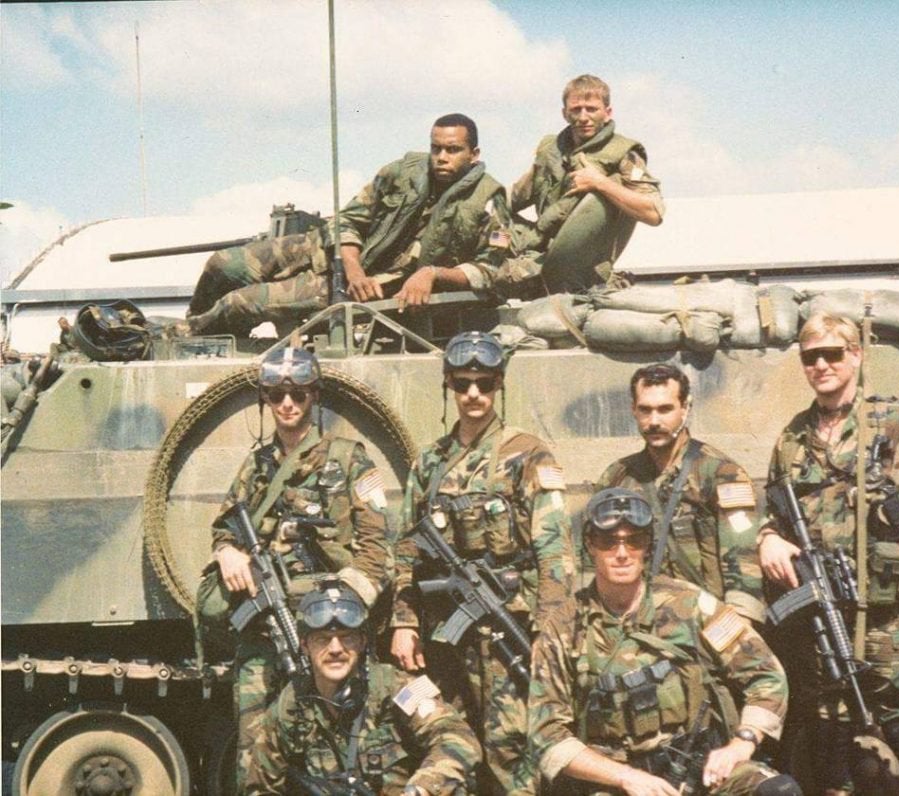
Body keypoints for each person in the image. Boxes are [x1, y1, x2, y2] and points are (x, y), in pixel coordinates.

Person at [757, 312, 899, 796]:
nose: (821, 365)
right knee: (828, 736)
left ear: (856, 355)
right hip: (823, 618)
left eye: (832, 354)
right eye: (810, 357)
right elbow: (773, 510)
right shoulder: (792, 438)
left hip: (889, 618)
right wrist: (768, 538)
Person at [390, 330, 576, 795]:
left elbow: (555, 552)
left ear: (499, 385)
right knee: (452, 746)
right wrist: (403, 622)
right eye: (462, 383)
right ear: (449, 386)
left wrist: (550, 634)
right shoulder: (430, 462)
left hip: (507, 632)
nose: (473, 393)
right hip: (446, 638)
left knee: (509, 750)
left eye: (485, 383)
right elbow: (407, 550)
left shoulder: (528, 454)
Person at [529, 488, 800, 796]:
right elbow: (545, 734)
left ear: (647, 545)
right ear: (590, 545)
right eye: (608, 542)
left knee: (777, 790)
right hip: (613, 783)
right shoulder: (563, 627)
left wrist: (742, 743)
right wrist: (626, 777)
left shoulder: (689, 604)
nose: (622, 553)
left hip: (699, 770)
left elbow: (766, 675)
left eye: (634, 541)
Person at [205, 346, 392, 787]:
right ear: (265, 400)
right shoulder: (256, 466)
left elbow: (378, 547)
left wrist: (342, 609)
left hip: (331, 632)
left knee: (338, 744)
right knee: (256, 748)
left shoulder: (349, 459)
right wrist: (227, 552)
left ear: (315, 396)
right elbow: (225, 527)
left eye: (298, 394)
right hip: (264, 630)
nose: (287, 403)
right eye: (276, 395)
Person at [184, 113, 514, 335]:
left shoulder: (488, 198)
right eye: (436, 148)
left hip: (378, 286)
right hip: (338, 254)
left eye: (453, 150)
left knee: (241, 302)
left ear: (474, 154)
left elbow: (490, 270)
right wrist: (353, 269)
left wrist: (432, 274)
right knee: (222, 264)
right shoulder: (402, 172)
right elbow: (349, 219)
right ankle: (198, 325)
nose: (441, 157)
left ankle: (196, 335)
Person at [245, 578, 481, 795]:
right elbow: (261, 787)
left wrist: (421, 789)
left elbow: (457, 737)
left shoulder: (398, 686)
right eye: (323, 639)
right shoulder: (291, 705)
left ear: (362, 642)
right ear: (305, 646)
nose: (335, 649)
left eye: (347, 637)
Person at [596, 363, 765, 625]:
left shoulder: (720, 473)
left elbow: (743, 561)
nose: (654, 421)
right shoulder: (617, 477)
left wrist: (736, 628)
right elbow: (597, 557)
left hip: (704, 621)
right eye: (645, 410)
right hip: (639, 623)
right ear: (633, 410)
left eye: (665, 409)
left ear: (685, 408)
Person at [471, 74, 664, 296]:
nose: (583, 117)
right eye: (576, 110)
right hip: (535, 244)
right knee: (477, 234)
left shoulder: (623, 154)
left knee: (491, 275)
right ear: (565, 113)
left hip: (578, 265)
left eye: (592, 109)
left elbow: (654, 213)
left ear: (607, 112)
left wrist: (600, 183)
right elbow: (513, 198)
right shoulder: (551, 150)